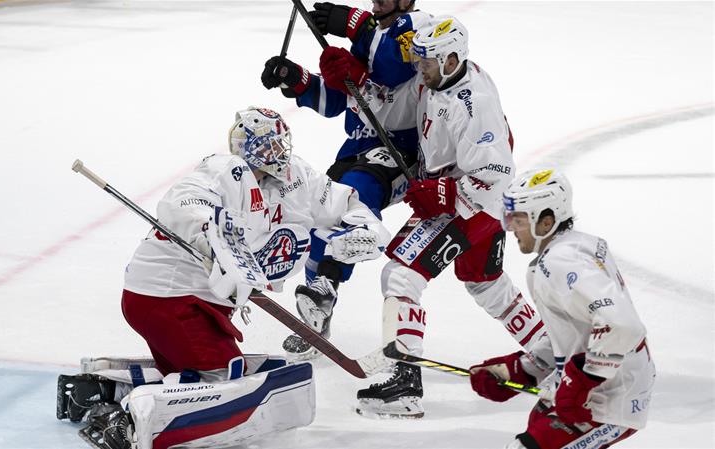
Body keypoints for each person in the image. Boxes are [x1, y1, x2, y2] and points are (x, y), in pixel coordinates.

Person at [56, 107, 391, 449]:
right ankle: (126, 420)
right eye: (268, 145)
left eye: (280, 143)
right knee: (224, 377)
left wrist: (366, 229)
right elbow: (182, 202)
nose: (277, 152)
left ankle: (102, 390)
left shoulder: (296, 177)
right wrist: (210, 232)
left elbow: (344, 201)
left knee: (204, 379)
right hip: (166, 297)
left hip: (198, 302)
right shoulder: (224, 170)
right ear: (249, 146)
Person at [354, 16, 550, 419]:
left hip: (473, 204)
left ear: (451, 59)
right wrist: (356, 84)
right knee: (486, 284)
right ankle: (555, 356)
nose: (419, 69)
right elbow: (395, 113)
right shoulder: (438, 79)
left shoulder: (474, 102)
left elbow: (496, 176)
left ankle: (406, 383)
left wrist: (445, 192)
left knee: (401, 274)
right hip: (465, 200)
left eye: (426, 62)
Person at [260, 0, 432, 359]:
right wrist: (296, 79)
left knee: (357, 192)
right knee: (319, 211)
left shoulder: (418, 27)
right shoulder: (369, 35)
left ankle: (329, 283)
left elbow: (391, 70)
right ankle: (316, 312)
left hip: (402, 151)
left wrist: (357, 26)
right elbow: (339, 100)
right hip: (357, 147)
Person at [468, 168, 655, 449]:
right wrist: (520, 369)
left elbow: (622, 325)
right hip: (589, 389)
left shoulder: (563, 262)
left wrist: (580, 381)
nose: (511, 227)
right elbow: (576, 329)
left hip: (610, 399)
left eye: (518, 219)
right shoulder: (576, 246)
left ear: (546, 222)